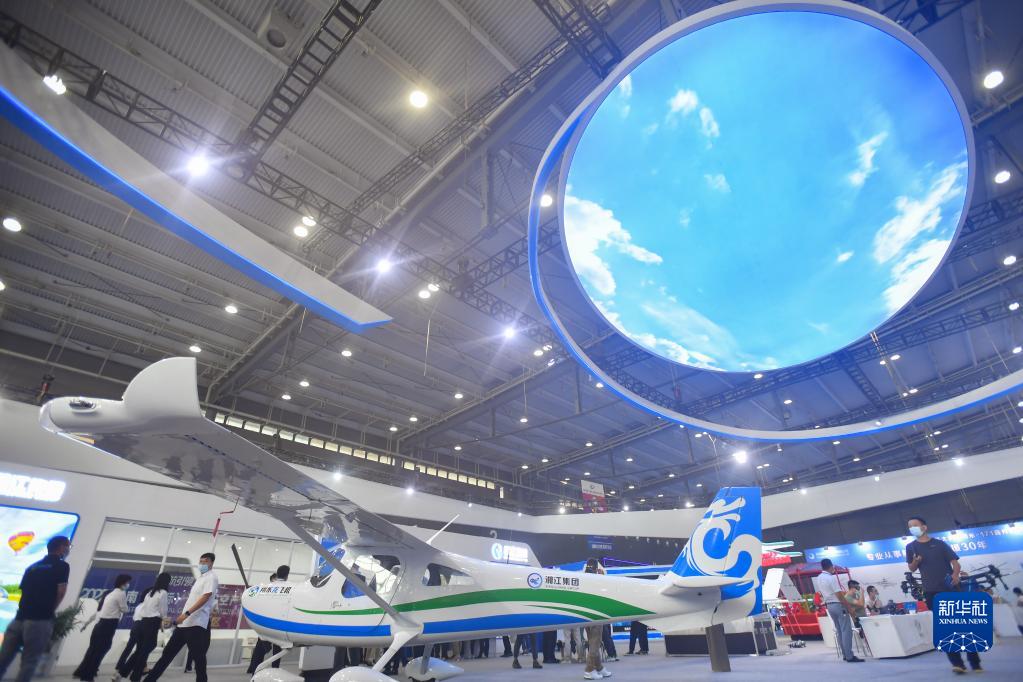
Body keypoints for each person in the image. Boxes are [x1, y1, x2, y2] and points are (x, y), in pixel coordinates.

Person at [906, 516, 981, 674]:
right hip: (931, 591)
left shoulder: (940, 544)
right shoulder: (910, 547)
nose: (912, 529)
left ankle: (974, 662)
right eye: (910, 526)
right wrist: (916, 561)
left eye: (915, 525)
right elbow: (911, 568)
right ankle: (957, 663)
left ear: (924, 527)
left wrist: (955, 574)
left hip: (950, 588)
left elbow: (955, 563)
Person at [0, 536, 72, 682]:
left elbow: (24, 592)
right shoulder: (62, 566)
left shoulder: (32, 567)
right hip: (39, 620)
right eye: (68, 546)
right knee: (29, 662)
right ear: (61, 547)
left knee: (3, 658)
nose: (68, 549)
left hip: (19, 619)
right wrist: (49, 611)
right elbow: (61, 592)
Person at [142, 553, 219, 682]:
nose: (202, 564)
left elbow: (205, 597)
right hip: (184, 624)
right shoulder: (200, 578)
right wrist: (182, 617)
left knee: (199, 658)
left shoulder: (211, 577)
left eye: (205, 561)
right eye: (200, 561)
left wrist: (186, 614)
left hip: (196, 624)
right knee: (167, 654)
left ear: (211, 563)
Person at [75, 574, 132, 681]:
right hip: (108, 625)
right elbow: (125, 609)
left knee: (93, 651)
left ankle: (84, 673)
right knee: (100, 651)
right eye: (128, 582)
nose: (128, 584)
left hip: (101, 625)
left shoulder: (110, 594)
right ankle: (88, 675)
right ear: (123, 583)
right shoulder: (120, 593)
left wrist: (86, 624)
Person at [118, 573, 170, 682]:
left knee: (140, 650)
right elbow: (163, 610)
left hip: (143, 622)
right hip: (152, 623)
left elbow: (144, 608)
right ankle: (134, 676)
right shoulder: (163, 593)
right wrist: (165, 618)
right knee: (146, 649)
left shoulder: (150, 593)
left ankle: (123, 672)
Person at [246, 566, 290, 674]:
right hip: (278, 625)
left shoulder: (265, 588)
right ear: (287, 575)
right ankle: (274, 670)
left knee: (260, 649)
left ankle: (254, 670)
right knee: (276, 650)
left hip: (265, 625)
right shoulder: (288, 588)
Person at [817, 558, 862, 663]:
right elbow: (839, 595)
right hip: (838, 605)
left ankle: (845, 655)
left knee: (839, 631)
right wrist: (849, 608)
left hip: (829, 606)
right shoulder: (830, 578)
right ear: (831, 566)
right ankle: (849, 656)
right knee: (846, 631)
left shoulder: (819, 578)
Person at [581, 558, 610, 680]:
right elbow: (604, 592)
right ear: (596, 568)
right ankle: (589, 670)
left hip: (586, 615)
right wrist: (602, 577)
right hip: (596, 615)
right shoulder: (596, 579)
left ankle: (599, 667)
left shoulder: (582, 578)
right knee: (595, 643)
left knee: (594, 642)